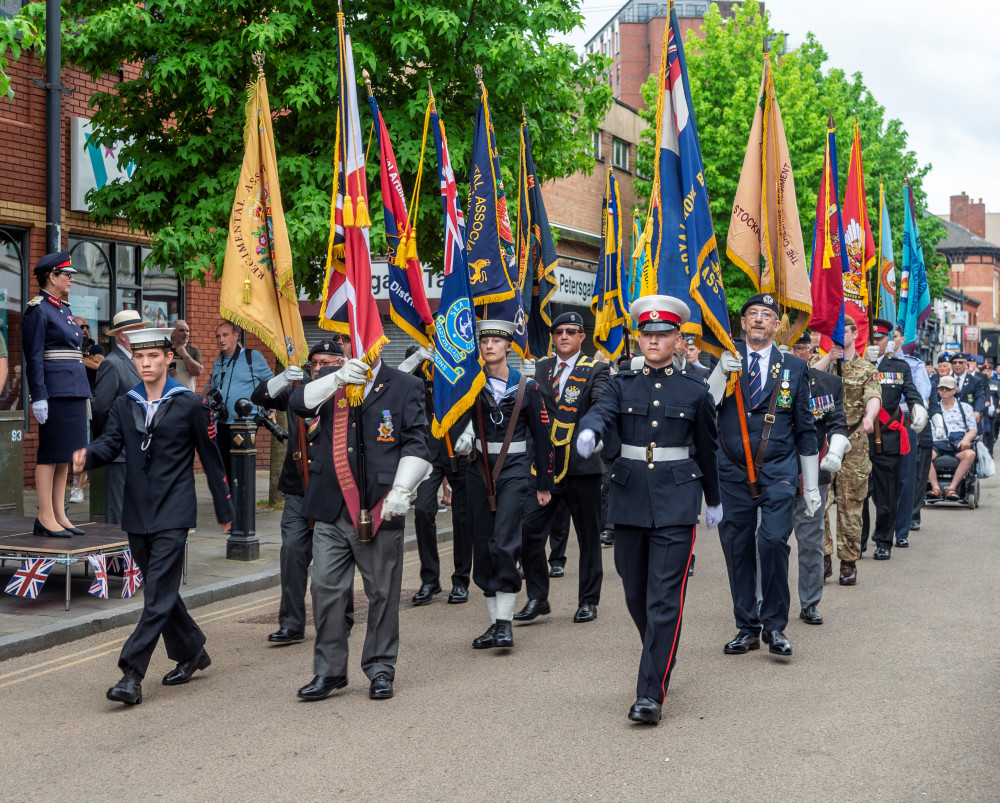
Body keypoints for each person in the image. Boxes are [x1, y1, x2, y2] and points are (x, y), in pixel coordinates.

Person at [576, 295, 720, 725]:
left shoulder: (695, 390)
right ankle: (661, 653)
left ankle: (649, 693)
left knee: (663, 600)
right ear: (638, 338)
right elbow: (601, 413)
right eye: (647, 334)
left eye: (662, 335)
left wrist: (713, 500)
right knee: (635, 592)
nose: (653, 341)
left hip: (677, 501)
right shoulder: (621, 383)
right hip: (629, 497)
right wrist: (589, 431)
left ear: (678, 340)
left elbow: (708, 451)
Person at [73, 327, 233, 706]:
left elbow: (211, 459)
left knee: (156, 596)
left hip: (174, 511)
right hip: (136, 513)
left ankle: (131, 673)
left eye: (153, 357)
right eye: (140, 358)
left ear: (167, 360)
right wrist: (86, 455)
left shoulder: (190, 404)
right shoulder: (125, 404)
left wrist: (226, 509)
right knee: (162, 592)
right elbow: (111, 444)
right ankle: (192, 649)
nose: (146, 364)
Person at [289, 352, 431, 702]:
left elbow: (417, 440)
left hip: (381, 504)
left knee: (382, 593)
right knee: (324, 589)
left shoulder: (405, 385)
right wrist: (336, 379)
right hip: (330, 504)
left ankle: (381, 668)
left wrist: (403, 487)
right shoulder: (335, 380)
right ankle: (330, 671)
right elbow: (297, 403)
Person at [707, 293, 818, 659]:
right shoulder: (723, 362)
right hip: (732, 473)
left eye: (766, 315)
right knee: (736, 548)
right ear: (742, 324)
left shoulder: (794, 368)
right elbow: (702, 412)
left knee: (772, 542)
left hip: (778, 472)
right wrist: (720, 372)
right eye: (752, 313)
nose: (758, 319)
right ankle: (747, 627)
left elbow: (805, 429)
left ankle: (775, 627)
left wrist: (812, 484)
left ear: (776, 326)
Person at [453, 319, 554, 652]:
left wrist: (543, 483)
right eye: (485, 342)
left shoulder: (527, 387)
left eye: (497, 341)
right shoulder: (470, 385)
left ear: (509, 346)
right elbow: (450, 417)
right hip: (479, 470)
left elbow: (543, 439)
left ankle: (505, 624)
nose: (489, 346)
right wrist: (462, 433)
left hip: (513, 470)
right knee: (481, 545)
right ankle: (496, 623)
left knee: (505, 543)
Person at [517, 311, 610, 625]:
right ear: (553, 337)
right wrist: (521, 385)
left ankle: (588, 600)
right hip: (544, 467)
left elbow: (599, 404)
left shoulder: (596, 369)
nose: (565, 336)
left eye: (572, 331)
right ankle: (538, 597)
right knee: (529, 532)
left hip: (582, 466)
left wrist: (592, 432)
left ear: (582, 336)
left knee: (587, 537)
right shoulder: (540, 368)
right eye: (559, 332)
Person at [250, 341, 341, 644]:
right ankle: (291, 623)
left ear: (341, 364)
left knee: (332, 562)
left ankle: (343, 617)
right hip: (297, 489)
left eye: (325, 363)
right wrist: (281, 380)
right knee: (292, 554)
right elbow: (258, 396)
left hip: (333, 490)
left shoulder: (346, 395)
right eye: (313, 363)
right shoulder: (296, 392)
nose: (317, 369)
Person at [396, 344, 474, 608]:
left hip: (461, 446)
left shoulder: (466, 359)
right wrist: (417, 357)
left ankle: (461, 580)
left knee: (463, 518)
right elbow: (397, 381)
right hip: (431, 448)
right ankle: (430, 580)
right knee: (422, 510)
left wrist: (471, 432)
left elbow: (480, 398)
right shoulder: (421, 363)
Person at [22, 251, 92, 538]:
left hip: (73, 388)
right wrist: (38, 395)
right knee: (50, 454)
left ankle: (59, 513)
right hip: (55, 391)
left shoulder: (62, 308)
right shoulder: (37, 309)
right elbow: (34, 356)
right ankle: (45, 516)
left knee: (66, 455)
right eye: (67, 274)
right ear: (52, 277)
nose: (71, 279)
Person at [787, 332, 849, 624]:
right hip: (776, 473)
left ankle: (809, 602)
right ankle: (763, 601)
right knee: (768, 541)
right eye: (792, 347)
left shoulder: (828, 383)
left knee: (811, 542)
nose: (799, 352)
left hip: (814, 475)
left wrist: (836, 448)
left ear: (811, 350)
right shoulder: (771, 380)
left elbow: (837, 421)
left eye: (803, 347)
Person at [863, 319, 927, 560]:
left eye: (880, 339)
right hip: (859, 437)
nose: (875, 343)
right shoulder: (855, 365)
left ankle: (883, 541)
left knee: (886, 496)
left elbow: (911, 392)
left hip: (887, 438)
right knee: (858, 493)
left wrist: (918, 407)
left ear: (888, 341)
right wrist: (864, 361)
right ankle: (858, 541)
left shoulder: (899, 367)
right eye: (872, 339)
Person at [92, 310, 153, 525]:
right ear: (123, 336)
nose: (143, 334)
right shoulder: (112, 363)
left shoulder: (139, 360)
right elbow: (100, 407)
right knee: (118, 509)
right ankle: (116, 555)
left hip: (141, 447)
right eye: (138, 330)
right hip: (121, 450)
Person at [207, 321, 274, 489]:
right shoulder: (218, 362)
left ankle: (242, 506)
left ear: (236, 336)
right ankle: (232, 506)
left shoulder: (253, 357)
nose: (221, 340)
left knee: (241, 468)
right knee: (225, 468)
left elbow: (271, 385)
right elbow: (214, 389)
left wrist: (270, 409)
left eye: (225, 335)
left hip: (246, 425)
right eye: (218, 336)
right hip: (222, 423)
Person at [889, 325, 932, 544]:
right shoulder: (872, 363)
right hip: (877, 425)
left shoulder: (913, 365)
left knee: (906, 477)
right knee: (879, 480)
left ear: (902, 339)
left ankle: (902, 530)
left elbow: (921, 395)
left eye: (893, 337)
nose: (888, 340)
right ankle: (883, 526)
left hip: (904, 422)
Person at [68, 317, 104, 504]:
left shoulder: (94, 348)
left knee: (83, 443)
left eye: (86, 327)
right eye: (80, 326)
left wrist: (77, 357)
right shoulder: (66, 346)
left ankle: (78, 487)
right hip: (67, 399)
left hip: (88, 401)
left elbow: (99, 364)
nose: (84, 330)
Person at [927, 375, 978, 498]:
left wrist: (967, 438)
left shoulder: (965, 408)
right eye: (941, 388)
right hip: (937, 443)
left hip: (958, 444)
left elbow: (973, 430)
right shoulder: (932, 409)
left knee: (970, 454)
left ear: (954, 390)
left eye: (948, 388)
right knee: (923, 454)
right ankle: (935, 488)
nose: (944, 391)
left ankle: (952, 488)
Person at [170, 319, 203, 391]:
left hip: (188, 396)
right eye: (181, 330)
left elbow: (198, 372)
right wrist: (164, 374)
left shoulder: (194, 351)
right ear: (173, 333)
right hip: (169, 395)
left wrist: (184, 354)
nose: (185, 333)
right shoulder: (165, 351)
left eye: (187, 331)